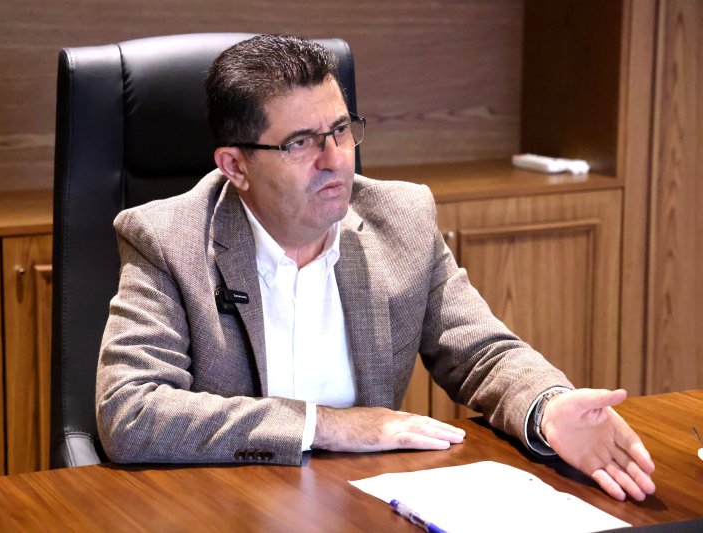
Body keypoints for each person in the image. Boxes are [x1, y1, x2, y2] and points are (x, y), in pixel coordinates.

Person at [96, 34, 655, 502]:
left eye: (341, 130)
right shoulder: (166, 239)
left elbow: (483, 352)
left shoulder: (400, 220)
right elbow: (131, 412)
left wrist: (547, 408)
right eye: (301, 143)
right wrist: (329, 425)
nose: (335, 158)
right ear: (235, 166)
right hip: (222, 506)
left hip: (365, 501)